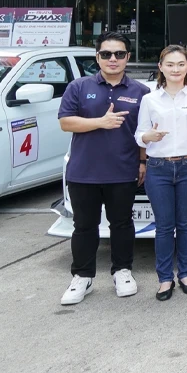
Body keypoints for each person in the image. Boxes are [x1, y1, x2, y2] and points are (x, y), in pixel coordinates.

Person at [57, 32, 151, 305]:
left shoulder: (141, 92)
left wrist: (142, 162)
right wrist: (100, 122)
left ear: (127, 57)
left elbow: (143, 132)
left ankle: (122, 271)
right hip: (83, 171)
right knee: (84, 226)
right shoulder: (78, 86)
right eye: (107, 54)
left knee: (122, 224)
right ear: (97, 57)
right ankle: (82, 277)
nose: (113, 59)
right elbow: (65, 122)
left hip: (123, 170)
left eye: (119, 54)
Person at [135, 45, 187, 301]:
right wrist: (149, 136)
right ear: (161, 67)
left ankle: (186, 274)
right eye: (170, 64)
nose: (175, 69)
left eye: (181, 64)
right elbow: (139, 134)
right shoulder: (150, 99)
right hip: (158, 168)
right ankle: (165, 278)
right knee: (163, 226)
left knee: (186, 224)